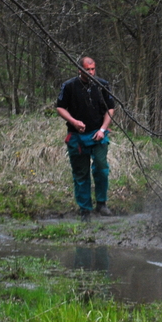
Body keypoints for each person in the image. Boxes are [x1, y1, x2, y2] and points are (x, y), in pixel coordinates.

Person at [56, 56, 116, 220]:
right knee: (81, 174)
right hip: (77, 137)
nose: (91, 72)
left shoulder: (102, 85)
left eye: (93, 69)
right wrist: (74, 122)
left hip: (98, 134)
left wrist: (103, 129)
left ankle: (102, 204)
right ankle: (85, 210)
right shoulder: (69, 86)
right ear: (80, 69)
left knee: (102, 169)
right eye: (87, 69)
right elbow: (60, 108)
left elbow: (110, 109)